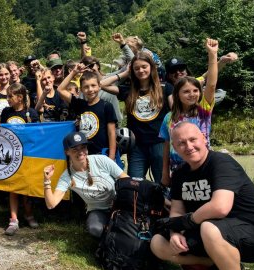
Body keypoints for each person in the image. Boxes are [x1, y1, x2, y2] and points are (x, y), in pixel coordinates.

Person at [150, 122, 254, 270]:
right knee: (158, 244)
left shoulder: (221, 162)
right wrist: (174, 233)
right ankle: (217, 264)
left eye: (192, 140)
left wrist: (187, 222)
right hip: (214, 233)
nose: (188, 146)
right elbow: (177, 209)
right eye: (181, 143)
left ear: (204, 139)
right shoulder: (180, 174)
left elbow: (220, 207)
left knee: (208, 226)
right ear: (175, 147)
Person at [103, 53, 173, 181]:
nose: (141, 70)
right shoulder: (128, 90)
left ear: (151, 67)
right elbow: (102, 84)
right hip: (137, 146)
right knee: (135, 185)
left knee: (162, 182)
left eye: (144, 66)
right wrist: (124, 73)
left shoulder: (165, 88)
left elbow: (176, 110)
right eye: (137, 68)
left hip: (160, 143)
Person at [43, 132, 128, 238]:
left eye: (83, 147)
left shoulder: (101, 160)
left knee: (127, 227)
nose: (80, 152)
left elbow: (126, 180)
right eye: (75, 149)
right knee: (94, 229)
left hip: (119, 205)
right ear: (67, 152)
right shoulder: (67, 176)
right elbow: (51, 204)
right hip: (97, 210)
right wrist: (47, 181)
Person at [160, 38, 219, 186]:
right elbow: (167, 146)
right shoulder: (169, 117)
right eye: (186, 91)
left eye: (195, 91)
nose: (192, 94)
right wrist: (165, 173)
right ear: (177, 95)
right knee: (181, 205)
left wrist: (212, 55)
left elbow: (211, 85)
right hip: (177, 169)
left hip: (203, 166)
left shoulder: (203, 111)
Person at [0, 83, 39, 235]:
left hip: (26, 156)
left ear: (20, 98)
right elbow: (2, 129)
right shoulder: (6, 111)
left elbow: (37, 134)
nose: (7, 100)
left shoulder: (31, 113)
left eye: (10, 97)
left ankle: (29, 214)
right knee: (13, 187)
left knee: (26, 187)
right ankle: (13, 219)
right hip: (11, 156)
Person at [58, 68, 118, 161]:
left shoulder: (106, 106)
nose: (90, 89)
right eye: (86, 87)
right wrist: (74, 72)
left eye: (93, 85)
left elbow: (112, 133)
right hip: (83, 156)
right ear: (81, 89)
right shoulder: (79, 104)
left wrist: (111, 157)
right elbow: (60, 89)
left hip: (102, 155)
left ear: (99, 86)